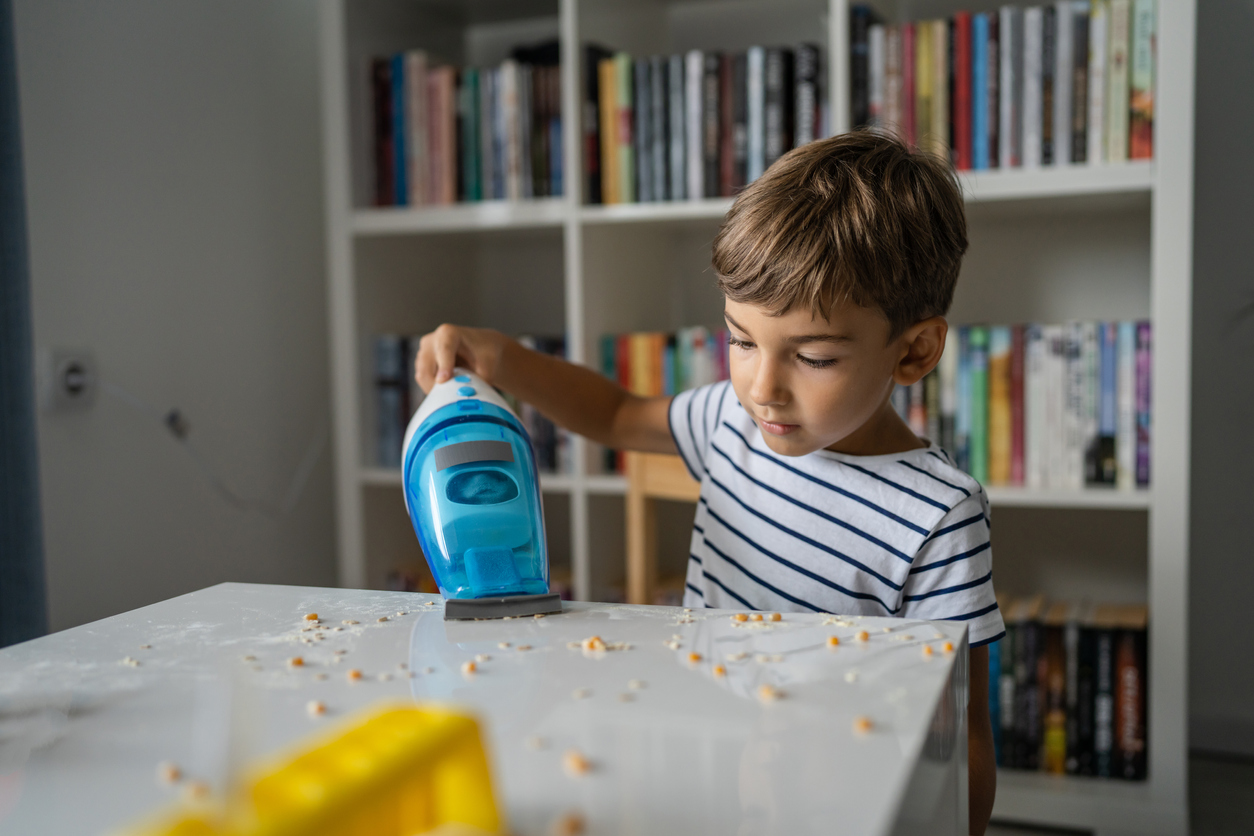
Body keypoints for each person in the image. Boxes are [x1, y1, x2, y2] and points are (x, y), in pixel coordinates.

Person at [414, 130, 1003, 835]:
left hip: (836, 798)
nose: (762, 387)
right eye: (743, 340)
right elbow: (617, 414)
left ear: (914, 351)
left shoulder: (939, 514)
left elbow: (962, 733)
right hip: (700, 765)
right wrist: (504, 358)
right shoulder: (731, 420)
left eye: (812, 357)